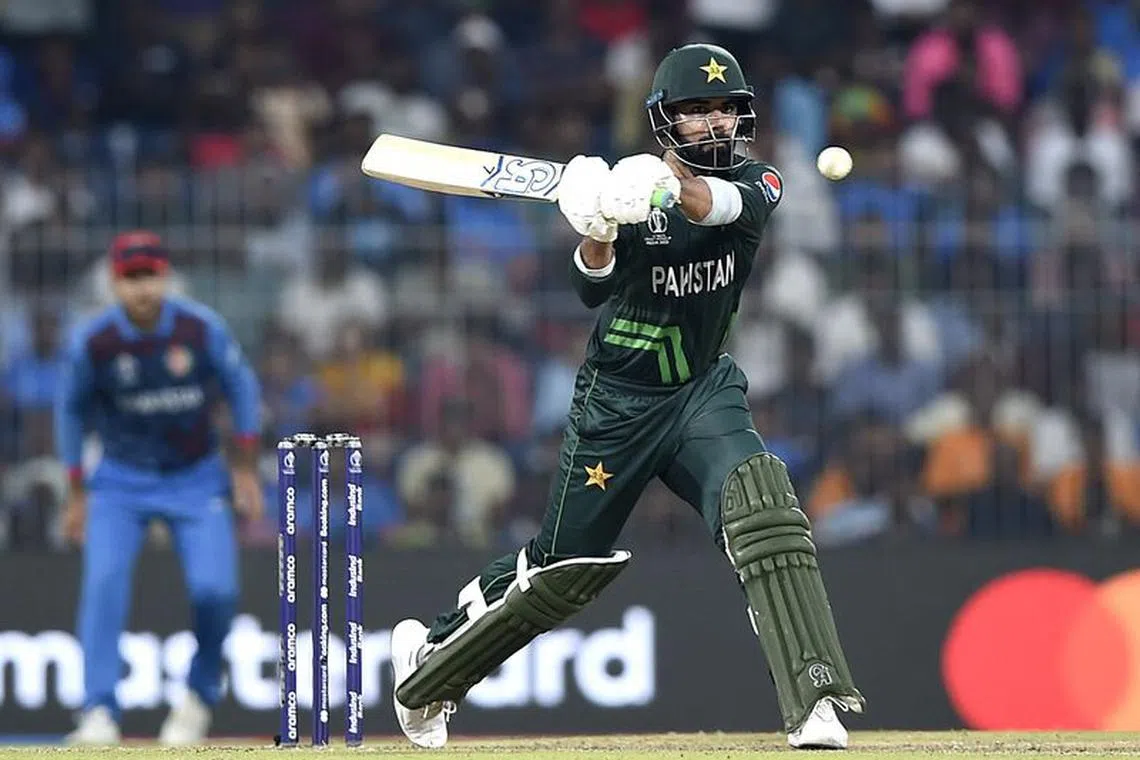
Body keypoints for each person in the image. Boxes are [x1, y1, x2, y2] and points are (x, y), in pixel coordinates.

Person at [390, 43, 865, 750]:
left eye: (724, 110)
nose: (713, 124)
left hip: (702, 388)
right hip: (616, 403)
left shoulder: (760, 181)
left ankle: (815, 700)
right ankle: (428, 670)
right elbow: (591, 286)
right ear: (665, 122)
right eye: (696, 112)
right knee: (562, 570)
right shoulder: (627, 198)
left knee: (761, 503)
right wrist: (600, 226)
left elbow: (718, 205)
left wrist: (664, 191)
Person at [55, 231, 263, 745]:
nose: (142, 288)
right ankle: (98, 712)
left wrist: (243, 466)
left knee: (217, 592)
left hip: (195, 478)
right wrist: (77, 491)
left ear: (165, 277)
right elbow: (70, 412)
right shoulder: (94, 340)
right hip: (120, 480)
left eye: (149, 275)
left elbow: (243, 388)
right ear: (114, 281)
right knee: (103, 586)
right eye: (130, 278)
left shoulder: (199, 329)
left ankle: (197, 700)